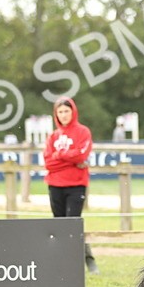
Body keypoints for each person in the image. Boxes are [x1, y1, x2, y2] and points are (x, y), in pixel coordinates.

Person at [43, 97, 98, 273]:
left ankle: (87, 260)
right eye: (60, 112)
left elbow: (82, 156)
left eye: (66, 111)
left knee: (73, 223)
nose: (64, 115)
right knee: (59, 225)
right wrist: (69, 159)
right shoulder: (53, 136)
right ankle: (61, 262)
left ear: (73, 111)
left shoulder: (83, 132)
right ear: (56, 114)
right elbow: (48, 162)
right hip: (55, 185)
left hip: (76, 185)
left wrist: (59, 155)